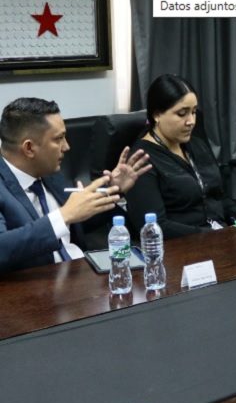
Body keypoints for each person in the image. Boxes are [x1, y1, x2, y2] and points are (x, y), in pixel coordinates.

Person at [0, 97, 150, 273]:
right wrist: (63, 215)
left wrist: (113, 190)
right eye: (58, 139)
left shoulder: (49, 172)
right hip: (38, 284)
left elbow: (77, 221)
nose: (67, 147)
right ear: (29, 148)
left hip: (80, 271)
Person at [126, 74, 236, 239]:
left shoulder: (196, 145)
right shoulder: (141, 160)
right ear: (157, 114)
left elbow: (217, 196)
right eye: (182, 114)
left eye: (194, 112)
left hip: (220, 234)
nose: (191, 121)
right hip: (184, 245)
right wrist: (211, 236)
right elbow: (155, 226)